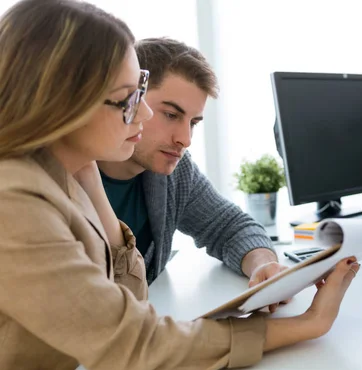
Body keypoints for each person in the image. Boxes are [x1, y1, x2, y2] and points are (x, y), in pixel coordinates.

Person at [0, 1, 359, 370]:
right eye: (128, 100)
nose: (142, 117)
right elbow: (128, 343)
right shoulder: (14, 198)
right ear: (65, 98)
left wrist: (85, 168)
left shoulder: (76, 171)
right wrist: (308, 324)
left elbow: (131, 299)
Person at [97, 37, 284, 287]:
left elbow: (229, 226)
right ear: (132, 100)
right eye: (171, 115)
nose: (185, 140)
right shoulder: (69, 177)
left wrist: (263, 265)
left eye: (193, 123)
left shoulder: (175, 172)